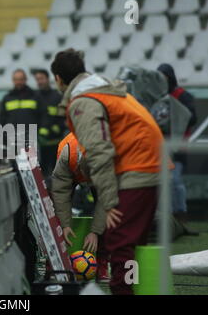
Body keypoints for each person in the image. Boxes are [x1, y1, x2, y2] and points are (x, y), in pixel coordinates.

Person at [50, 48, 172, 295]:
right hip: (151, 160)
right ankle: (138, 288)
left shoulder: (83, 101)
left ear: (58, 79)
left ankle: (123, 291)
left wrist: (108, 201)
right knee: (133, 240)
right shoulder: (102, 88)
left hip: (138, 165)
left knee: (119, 241)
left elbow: (99, 151)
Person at [51, 132, 110, 282]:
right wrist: (64, 225)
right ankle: (52, 264)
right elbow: (60, 193)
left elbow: (105, 201)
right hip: (69, 166)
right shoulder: (67, 154)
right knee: (53, 214)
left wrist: (95, 232)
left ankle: (102, 264)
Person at [157, 63, 198, 226]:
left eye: (165, 77)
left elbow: (192, 118)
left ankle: (181, 212)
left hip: (177, 146)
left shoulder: (183, 95)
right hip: (161, 146)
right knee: (162, 182)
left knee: (175, 181)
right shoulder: (158, 95)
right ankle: (166, 217)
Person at [33, 69, 66, 178]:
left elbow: (64, 118)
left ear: (48, 79)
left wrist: (53, 129)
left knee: (57, 174)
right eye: (37, 79)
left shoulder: (57, 97)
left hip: (55, 144)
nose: (39, 82)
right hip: (39, 145)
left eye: (41, 79)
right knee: (41, 175)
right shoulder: (34, 97)